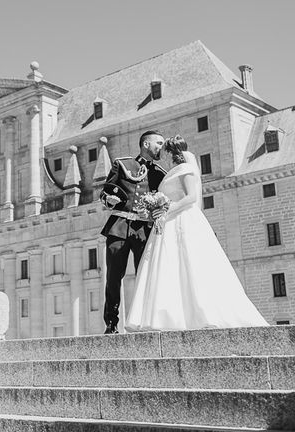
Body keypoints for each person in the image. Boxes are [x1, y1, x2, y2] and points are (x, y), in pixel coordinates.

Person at [125, 136, 268, 331]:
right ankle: (168, 317)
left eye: (163, 150)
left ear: (169, 152)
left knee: (189, 264)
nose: (161, 154)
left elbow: (191, 197)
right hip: (167, 222)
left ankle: (198, 314)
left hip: (182, 219)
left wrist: (167, 209)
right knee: (168, 268)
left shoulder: (186, 169)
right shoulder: (170, 173)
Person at [99, 131, 167, 334]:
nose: (161, 147)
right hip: (119, 226)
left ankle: (144, 320)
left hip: (144, 231)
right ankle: (111, 323)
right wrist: (108, 200)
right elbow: (106, 191)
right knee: (113, 277)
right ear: (146, 144)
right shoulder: (123, 165)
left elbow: (164, 200)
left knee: (145, 275)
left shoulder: (160, 174)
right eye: (159, 143)